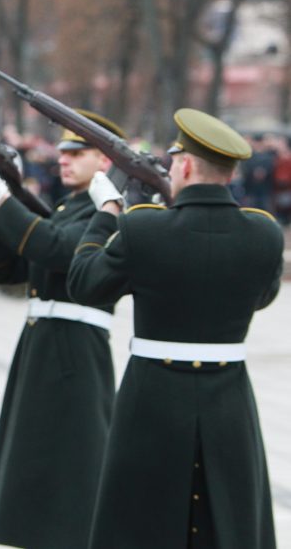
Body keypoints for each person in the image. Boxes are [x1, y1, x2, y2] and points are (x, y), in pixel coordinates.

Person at [68, 109, 283, 549]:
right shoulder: (264, 233)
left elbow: (85, 284)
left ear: (183, 165)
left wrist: (107, 213)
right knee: (229, 518)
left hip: (152, 399)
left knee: (140, 523)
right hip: (230, 398)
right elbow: (262, 297)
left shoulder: (143, 227)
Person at [0, 111, 124, 548]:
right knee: (34, 457)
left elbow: (59, 250)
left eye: (79, 152)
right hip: (41, 342)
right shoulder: (66, 207)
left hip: (76, 346)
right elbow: (9, 270)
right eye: (64, 151)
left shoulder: (109, 212)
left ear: (106, 161)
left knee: (74, 459)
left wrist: (3, 202)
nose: (64, 159)